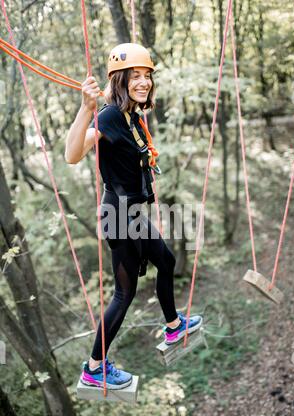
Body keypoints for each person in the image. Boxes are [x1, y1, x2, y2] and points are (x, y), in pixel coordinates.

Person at [65, 43, 202, 390]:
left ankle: (173, 327)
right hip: (119, 215)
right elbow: (72, 154)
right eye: (135, 77)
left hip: (131, 213)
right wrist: (85, 109)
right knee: (124, 294)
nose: (144, 83)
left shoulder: (133, 116)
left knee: (167, 261)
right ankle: (94, 368)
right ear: (120, 81)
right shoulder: (109, 116)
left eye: (147, 77)